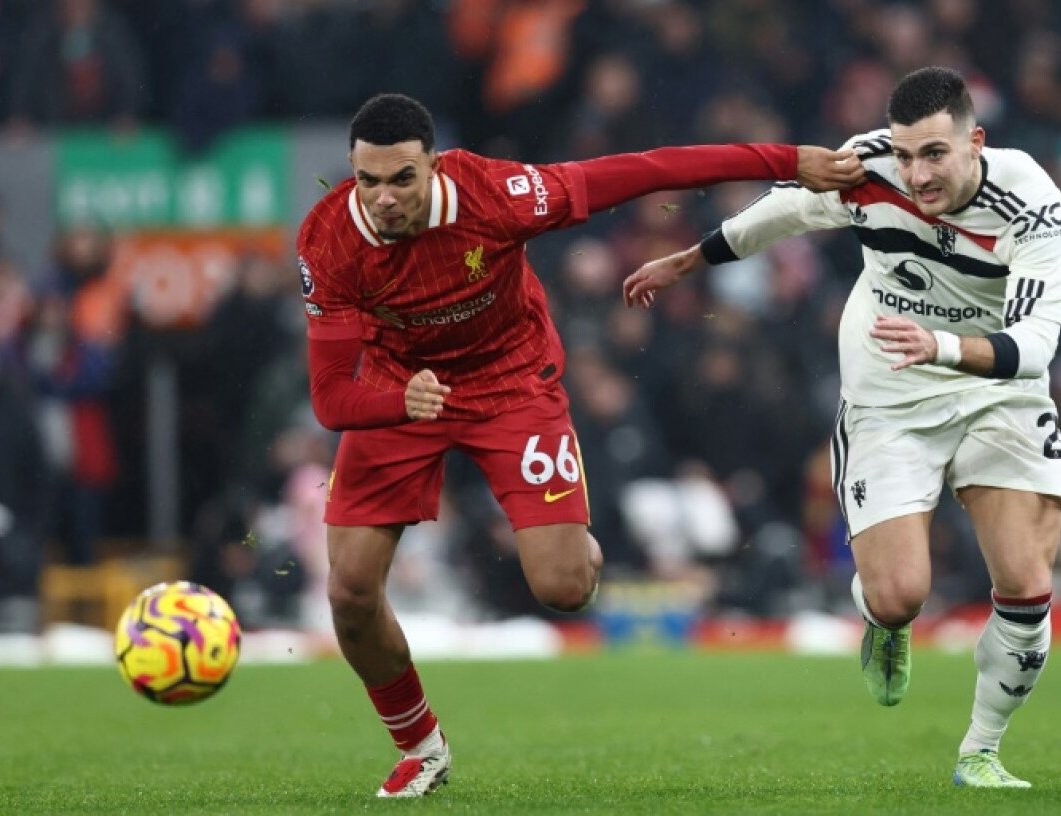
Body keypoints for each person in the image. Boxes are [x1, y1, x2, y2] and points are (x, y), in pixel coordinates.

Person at [298, 92, 863, 798]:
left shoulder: (498, 194)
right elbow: (330, 399)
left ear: (435, 167)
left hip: (510, 384)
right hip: (401, 392)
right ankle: (422, 744)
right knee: (349, 594)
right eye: (368, 180)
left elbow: (651, 169)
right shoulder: (328, 238)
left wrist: (786, 161)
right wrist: (398, 401)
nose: (383, 199)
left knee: (564, 588)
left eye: (401, 179)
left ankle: (575, 544)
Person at [623, 67, 1061, 789]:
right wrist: (688, 259)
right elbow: (783, 213)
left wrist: (944, 347)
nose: (915, 173)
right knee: (900, 595)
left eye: (933, 153)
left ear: (975, 141)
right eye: (904, 153)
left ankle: (980, 750)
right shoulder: (866, 169)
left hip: (998, 389)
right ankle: (882, 623)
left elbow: (1036, 348)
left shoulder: (1030, 201)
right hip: (890, 389)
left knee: (1025, 580)